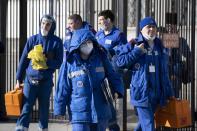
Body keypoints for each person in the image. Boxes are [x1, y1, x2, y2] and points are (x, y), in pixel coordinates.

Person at [54, 29, 124, 131]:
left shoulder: (101, 58)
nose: (88, 45)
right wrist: (59, 109)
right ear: (77, 44)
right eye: (85, 43)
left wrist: (117, 90)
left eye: (90, 42)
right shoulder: (69, 64)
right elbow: (63, 87)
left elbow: (113, 75)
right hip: (79, 113)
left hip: (100, 110)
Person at [115, 17, 174, 131]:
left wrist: (169, 91)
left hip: (157, 95)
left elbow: (164, 72)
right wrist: (136, 52)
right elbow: (119, 62)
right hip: (142, 94)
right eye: (148, 27)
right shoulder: (134, 44)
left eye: (153, 27)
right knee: (149, 126)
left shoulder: (160, 46)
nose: (151, 29)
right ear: (141, 30)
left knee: (144, 124)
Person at [15, 14, 63, 131]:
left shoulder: (56, 42)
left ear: (52, 26)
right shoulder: (32, 39)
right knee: (26, 107)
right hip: (30, 81)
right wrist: (18, 79)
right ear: (40, 24)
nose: (45, 26)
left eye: (48, 24)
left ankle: (43, 128)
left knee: (44, 109)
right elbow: (23, 60)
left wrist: (47, 61)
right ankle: (21, 128)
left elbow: (59, 62)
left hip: (45, 82)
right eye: (43, 23)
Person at [96, 10, 128, 131]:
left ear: (108, 20)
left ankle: (113, 126)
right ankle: (111, 125)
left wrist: (110, 51)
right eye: (98, 20)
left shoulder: (118, 35)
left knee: (108, 100)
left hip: (111, 73)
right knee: (104, 100)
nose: (99, 22)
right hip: (99, 72)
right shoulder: (98, 34)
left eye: (101, 20)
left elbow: (123, 50)